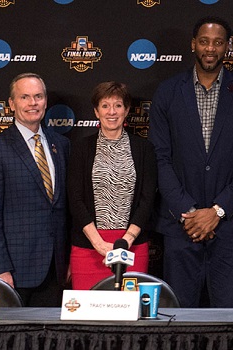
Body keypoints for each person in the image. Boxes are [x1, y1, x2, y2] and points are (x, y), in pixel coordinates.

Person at [149, 16, 233, 307]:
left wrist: (219, 210)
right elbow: (159, 158)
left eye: (219, 42)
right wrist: (189, 211)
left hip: (229, 228)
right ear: (193, 44)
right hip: (180, 228)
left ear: (228, 47)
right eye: (205, 41)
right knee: (179, 318)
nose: (211, 48)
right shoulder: (167, 92)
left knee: (229, 318)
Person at [0, 72, 70, 306]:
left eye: (38, 96)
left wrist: (68, 260)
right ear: (11, 103)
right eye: (25, 97)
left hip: (55, 269)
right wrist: (0, 269)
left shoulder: (61, 144)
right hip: (14, 273)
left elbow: (63, 208)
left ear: (46, 101)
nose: (33, 103)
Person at [66, 82, 156, 290]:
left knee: (129, 313)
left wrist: (127, 240)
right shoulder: (81, 148)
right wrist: (97, 243)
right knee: (88, 315)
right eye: (105, 106)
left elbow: (147, 198)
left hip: (131, 246)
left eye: (117, 105)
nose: (112, 112)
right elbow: (75, 198)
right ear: (96, 112)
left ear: (126, 110)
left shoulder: (144, 149)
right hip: (89, 246)